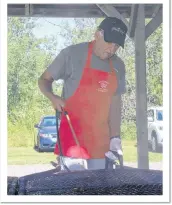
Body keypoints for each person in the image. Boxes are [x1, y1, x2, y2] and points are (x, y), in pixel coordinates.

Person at [38, 17, 127, 171]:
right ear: (98, 34)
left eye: (117, 45)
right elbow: (44, 80)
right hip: (72, 143)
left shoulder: (118, 65)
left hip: (102, 146)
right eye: (109, 42)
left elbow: (115, 103)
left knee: (100, 192)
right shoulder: (72, 54)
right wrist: (52, 97)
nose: (112, 49)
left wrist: (115, 138)